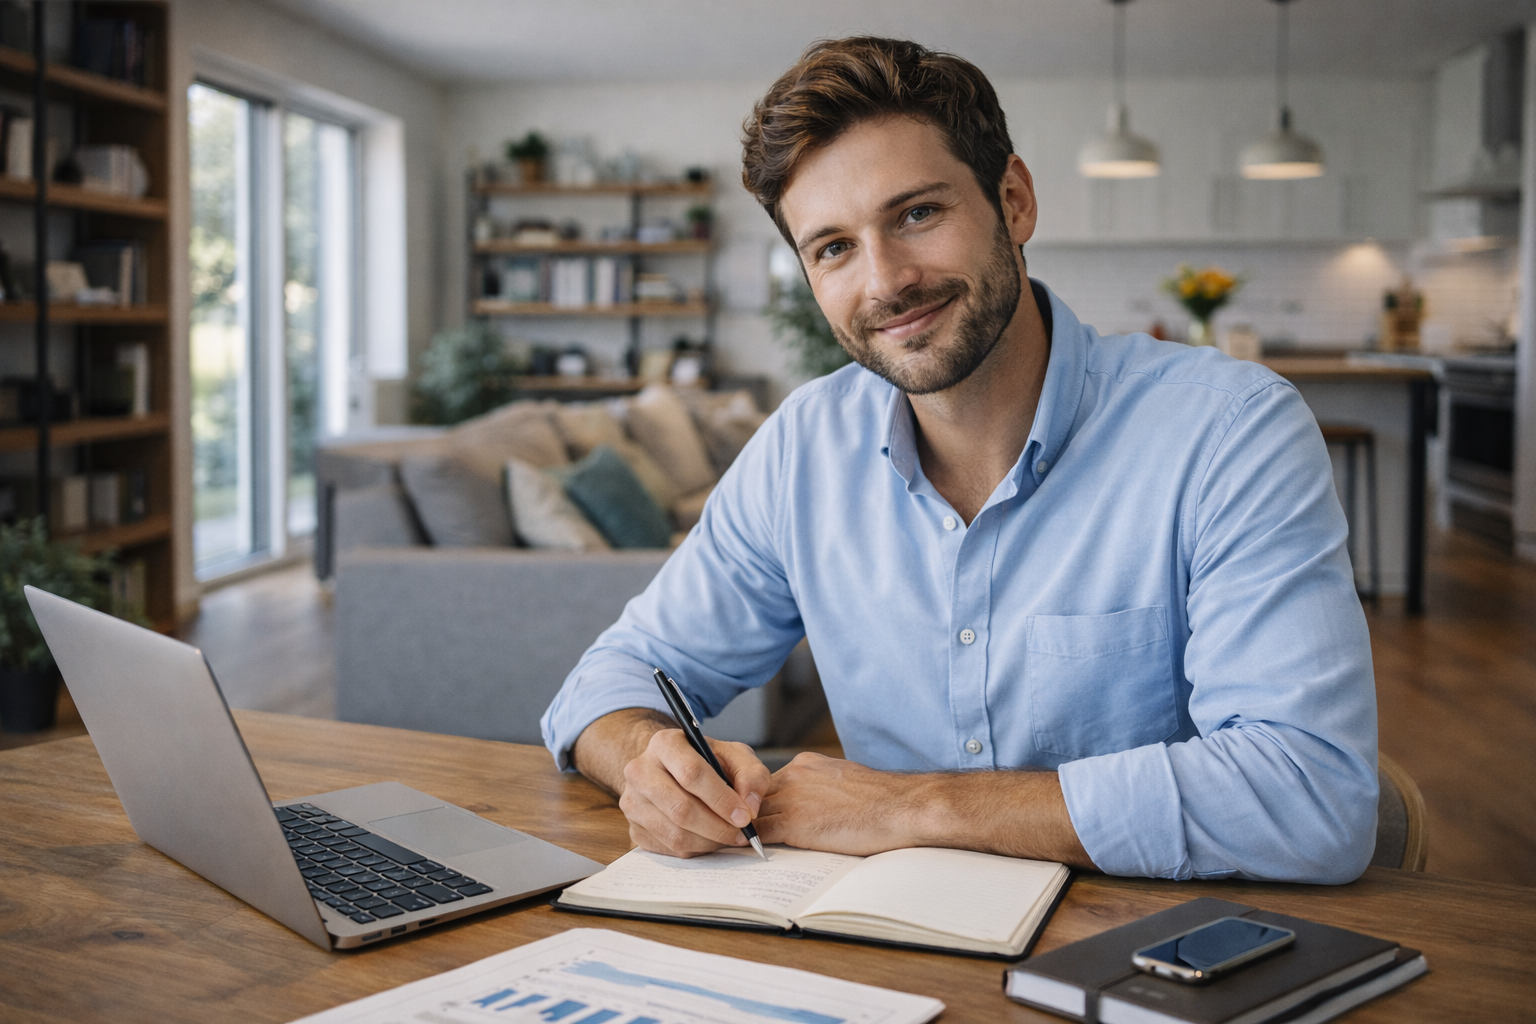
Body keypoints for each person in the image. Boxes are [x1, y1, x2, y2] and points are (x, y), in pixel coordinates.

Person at [541, 36, 1378, 883]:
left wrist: (913, 808)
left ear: (1013, 202)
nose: (886, 282)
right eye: (833, 247)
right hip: (882, 947)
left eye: (916, 214)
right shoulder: (803, 450)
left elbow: (1312, 796)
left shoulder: (1228, 431)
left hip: (1145, 951)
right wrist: (648, 757)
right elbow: (605, 684)